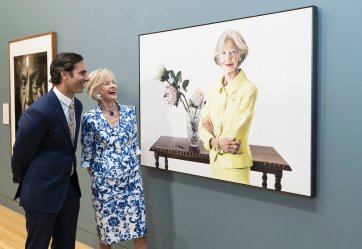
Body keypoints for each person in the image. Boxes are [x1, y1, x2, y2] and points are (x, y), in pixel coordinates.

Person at [11, 52, 89, 249]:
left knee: (66, 245)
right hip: (41, 192)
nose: (86, 78)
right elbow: (20, 153)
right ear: (65, 75)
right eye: (82, 73)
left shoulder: (77, 106)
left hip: (69, 190)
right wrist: (30, 181)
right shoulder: (40, 110)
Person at [81, 68, 148, 249]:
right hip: (105, 187)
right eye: (106, 83)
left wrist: (130, 173)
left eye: (113, 82)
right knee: (106, 236)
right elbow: (87, 157)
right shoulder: (89, 119)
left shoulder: (129, 113)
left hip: (132, 183)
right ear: (97, 90)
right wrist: (101, 179)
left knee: (140, 232)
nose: (112, 86)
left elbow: (135, 147)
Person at [199, 30, 258, 185]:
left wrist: (213, 137)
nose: (228, 57)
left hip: (236, 167)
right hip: (215, 163)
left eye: (233, 52)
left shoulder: (249, 89)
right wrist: (215, 141)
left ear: (240, 55)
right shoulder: (214, 88)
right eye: (224, 52)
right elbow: (202, 126)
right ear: (218, 58)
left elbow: (236, 132)